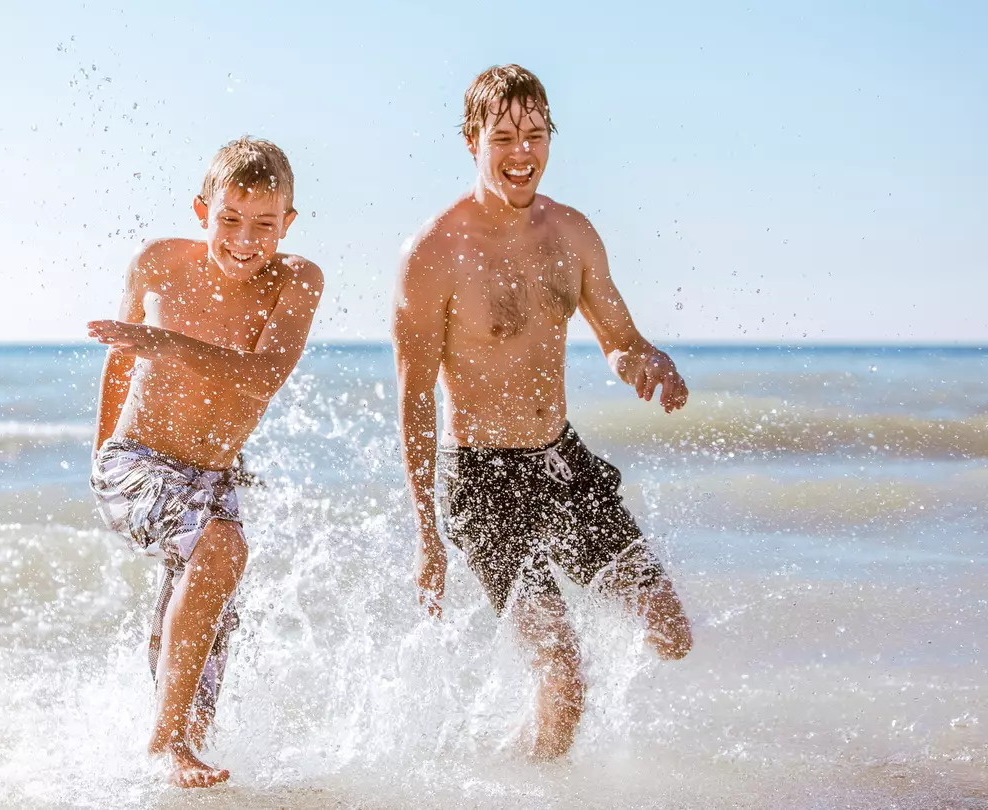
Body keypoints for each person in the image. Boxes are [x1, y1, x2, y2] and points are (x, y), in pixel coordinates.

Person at [391, 65, 694, 760]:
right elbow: (413, 403)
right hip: (482, 481)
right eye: (503, 136)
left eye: (535, 134)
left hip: (562, 463)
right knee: (562, 673)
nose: (521, 151)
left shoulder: (572, 234)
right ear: (473, 141)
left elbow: (621, 342)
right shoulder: (433, 254)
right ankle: (528, 786)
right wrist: (426, 535)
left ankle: (509, 757)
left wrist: (650, 365)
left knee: (669, 634)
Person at [87, 136, 323, 787]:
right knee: (221, 551)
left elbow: (263, 376)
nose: (245, 239)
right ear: (202, 211)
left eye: (264, 225)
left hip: (213, 475)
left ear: (288, 223)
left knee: (210, 603)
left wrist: (164, 343)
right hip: (135, 460)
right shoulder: (158, 263)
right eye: (230, 220)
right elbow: (120, 360)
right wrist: (99, 459)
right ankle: (163, 745)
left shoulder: (298, 279)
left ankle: (186, 747)